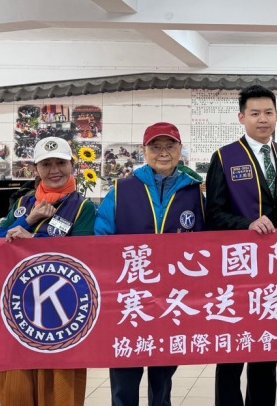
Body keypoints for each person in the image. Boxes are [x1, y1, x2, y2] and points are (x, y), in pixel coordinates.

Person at [95, 122, 206, 406]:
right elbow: (100, 240)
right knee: (124, 373)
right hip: (128, 300)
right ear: (144, 151)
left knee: (163, 376)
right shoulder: (121, 190)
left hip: (172, 300)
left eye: (170, 146)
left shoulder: (195, 194)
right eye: (156, 147)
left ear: (181, 150)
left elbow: (208, 245)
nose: (163, 152)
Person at [205, 85, 277, 406]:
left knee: (266, 349)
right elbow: (213, 214)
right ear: (241, 118)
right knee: (232, 352)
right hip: (237, 270)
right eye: (255, 113)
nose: (263, 119)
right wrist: (245, 223)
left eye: (269, 112)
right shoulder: (224, 157)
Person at [0, 136, 98, 406]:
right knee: (17, 382)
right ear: (35, 169)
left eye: (60, 163)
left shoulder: (83, 207)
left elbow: (83, 254)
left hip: (64, 310)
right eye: (46, 164)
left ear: (72, 165)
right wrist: (29, 220)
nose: (54, 170)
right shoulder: (23, 204)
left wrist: (33, 242)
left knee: (60, 383)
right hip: (21, 306)